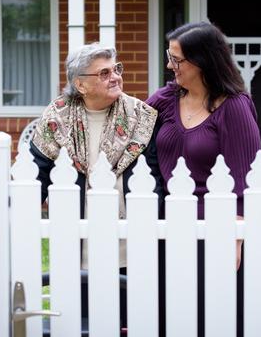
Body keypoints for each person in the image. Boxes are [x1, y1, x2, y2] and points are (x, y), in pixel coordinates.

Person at [30, 42, 164, 330]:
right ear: (80, 84)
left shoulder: (141, 117)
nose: (115, 76)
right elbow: (35, 177)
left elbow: (156, 181)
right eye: (103, 73)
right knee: (82, 325)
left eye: (116, 68)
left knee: (132, 325)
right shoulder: (56, 120)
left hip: (132, 244)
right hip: (76, 246)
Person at [146, 21, 261, 337]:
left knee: (211, 319)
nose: (170, 66)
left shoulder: (234, 107)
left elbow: (245, 177)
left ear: (202, 61)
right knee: (168, 317)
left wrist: (234, 238)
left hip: (214, 232)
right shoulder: (166, 99)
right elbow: (128, 126)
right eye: (169, 57)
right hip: (166, 227)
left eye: (177, 60)